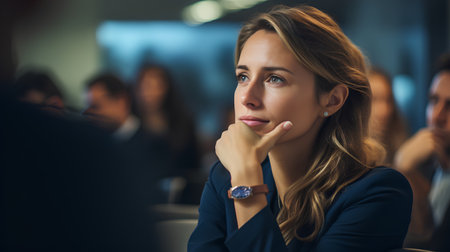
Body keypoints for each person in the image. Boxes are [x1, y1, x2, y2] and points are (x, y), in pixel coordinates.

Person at [188, 5, 412, 252]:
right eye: (243, 77)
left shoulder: (376, 194)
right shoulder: (224, 177)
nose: (247, 97)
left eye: (275, 78)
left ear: (332, 100)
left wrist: (247, 187)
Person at [394, 53, 450, 251]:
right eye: (434, 101)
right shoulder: (428, 169)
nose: (437, 116)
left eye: (449, 106)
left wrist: (403, 169)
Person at [134, 64, 202, 203]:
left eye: (157, 86)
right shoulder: (131, 122)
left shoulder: (183, 120)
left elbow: (194, 163)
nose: (151, 92)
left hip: (181, 194)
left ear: (167, 88)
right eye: (147, 86)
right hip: (140, 193)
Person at [368, 67, 409, 164]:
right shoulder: (348, 160)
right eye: (374, 99)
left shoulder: (399, 146)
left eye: (388, 100)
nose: (384, 111)